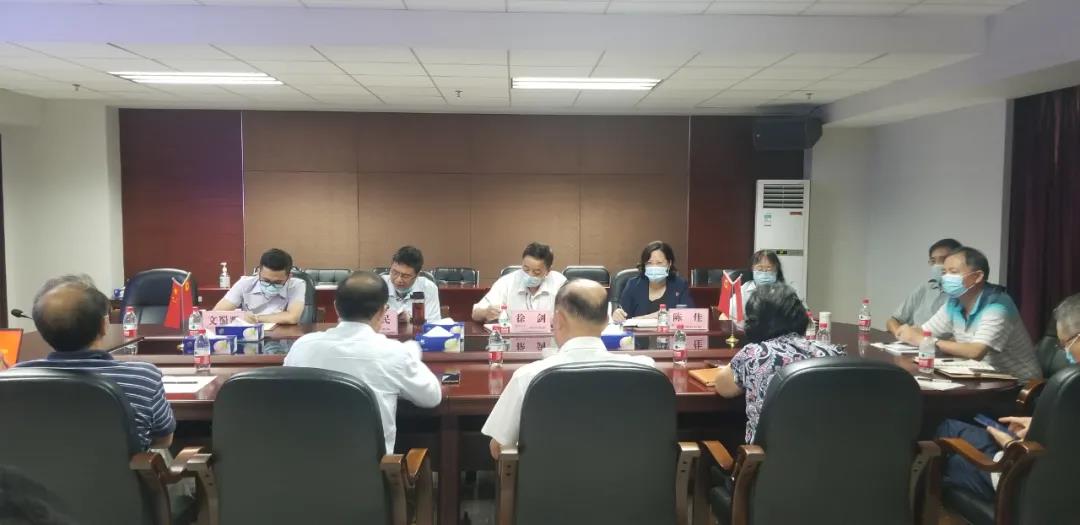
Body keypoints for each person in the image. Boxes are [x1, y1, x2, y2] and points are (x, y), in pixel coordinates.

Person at [482, 279, 655, 458]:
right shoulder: (645, 370)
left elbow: (499, 447)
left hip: (547, 476)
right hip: (627, 475)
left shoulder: (528, 377)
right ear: (606, 321)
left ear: (558, 319)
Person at [935, 292, 1080, 501]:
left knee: (947, 454)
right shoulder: (1072, 386)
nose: (1065, 352)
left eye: (1065, 344)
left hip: (1021, 480)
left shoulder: (1069, 385)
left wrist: (1011, 444)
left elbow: (1058, 456)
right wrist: (1036, 426)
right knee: (951, 428)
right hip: (1040, 467)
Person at [283, 271, 442, 453]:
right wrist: (411, 354)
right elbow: (431, 397)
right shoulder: (394, 352)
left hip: (304, 461)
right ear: (383, 311)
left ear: (336, 307)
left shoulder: (302, 345)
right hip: (370, 468)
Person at [15, 275, 175, 451]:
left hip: (35, 470)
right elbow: (164, 439)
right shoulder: (143, 377)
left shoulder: (15, 379)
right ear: (103, 325)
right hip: (119, 469)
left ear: (41, 331)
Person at [712, 283, 845, 443]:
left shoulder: (754, 354)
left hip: (767, 457)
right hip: (828, 455)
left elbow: (722, 386)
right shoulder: (832, 353)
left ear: (754, 322)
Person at [897, 246, 1042, 380]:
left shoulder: (998, 305)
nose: (945, 278)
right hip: (979, 377)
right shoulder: (953, 303)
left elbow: (975, 352)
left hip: (1017, 385)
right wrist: (908, 332)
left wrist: (927, 341)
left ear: (977, 277)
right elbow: (924, 332)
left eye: (953, 272)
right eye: (944, 273)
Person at [472, 242, 567, 322]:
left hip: (549, 337)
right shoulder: (507, 282)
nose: (530, 275)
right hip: (512, 337)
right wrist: (486, 312)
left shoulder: (559, 283)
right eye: (526, 269)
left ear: (548, 271)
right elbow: (475, 313)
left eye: (536, 272)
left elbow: (573, 316)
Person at [887, 238, 963, 336]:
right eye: (933, 261)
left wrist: (924, 340)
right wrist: (901, 335)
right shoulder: (924, 288)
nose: (937, 265)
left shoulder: (964, 295)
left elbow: (963, 339)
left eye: (943, 260)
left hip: (938, 344)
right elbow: (893, 320)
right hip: (912, 341)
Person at [212, 248, 307, 325]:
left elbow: (292, 317)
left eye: (277, 282)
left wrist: (255, 318)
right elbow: (216, 314)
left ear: (289, 277)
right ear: (258, 272)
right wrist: (241, 317)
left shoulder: (297, 285)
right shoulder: (244, 284)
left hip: (284, 336)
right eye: (266, 280)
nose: (271, 286)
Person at [612, 241, 694, 322]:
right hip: (637, 331)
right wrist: (618, 314)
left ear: (669, 264)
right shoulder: (633, 285)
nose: (654, 267)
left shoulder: (680, 285)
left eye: (659, 263)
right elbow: (623, 316)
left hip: (669, 331)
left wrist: (644, 318)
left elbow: (689, 315)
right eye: (649, 263)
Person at [382, 246, 441, 323]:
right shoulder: (379, 285)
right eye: (395, 273)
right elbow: (370, 321)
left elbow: (433, 323)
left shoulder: (429, 288)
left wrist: (410, 321)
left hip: (416, 331)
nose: (398, 279)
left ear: (417, 275)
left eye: (405, 276)